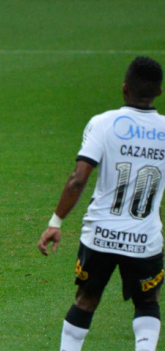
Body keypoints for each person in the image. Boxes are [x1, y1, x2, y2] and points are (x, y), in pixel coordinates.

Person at [38, 57, 165, 351]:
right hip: (145, 238)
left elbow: (78, 179)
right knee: (147, 303)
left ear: (124, 88)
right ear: (159, 92)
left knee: (85, 301)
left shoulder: (104, 123)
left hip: (101, 235)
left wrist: (55, 223)